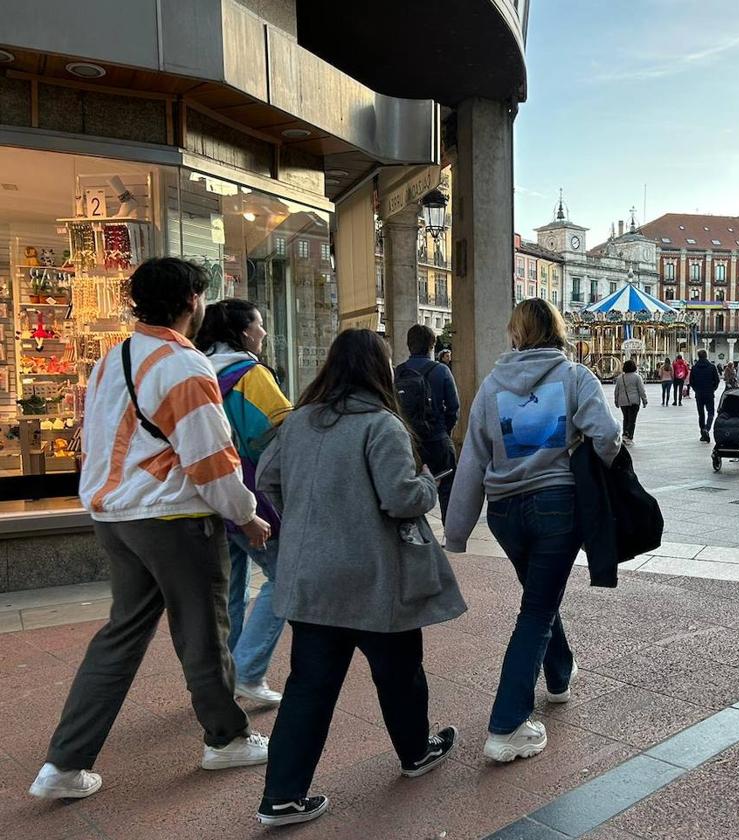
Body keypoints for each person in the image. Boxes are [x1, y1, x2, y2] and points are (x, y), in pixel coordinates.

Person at [29, 258, 272, 801]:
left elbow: (93, 440)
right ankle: (226, 739)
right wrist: (245, 513)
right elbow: (211, 456)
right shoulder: (183, 365)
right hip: (173, 518)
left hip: (115, 516)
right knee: (203, 632)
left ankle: (64, 765)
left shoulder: (110, 359)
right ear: (192, 301)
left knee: (120, 635)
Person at [255, 329, 466, 827]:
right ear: (379, 369)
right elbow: (400, 498)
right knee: (399, 673)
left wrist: (304, 517)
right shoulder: (381, 425)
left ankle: (281, 796)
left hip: (312, 579)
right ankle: (415, 754)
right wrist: (427, 488)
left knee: (308, 686)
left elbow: (267, 479)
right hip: (374, 577)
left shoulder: (299, 421)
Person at [444, 299, 621, 763]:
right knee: (537, 610)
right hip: (557, 507)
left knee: (539, 598)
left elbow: (473, 459)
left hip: (504, 513)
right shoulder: (575, 377)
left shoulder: (492, 385)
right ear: (556, 332)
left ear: (516, 333)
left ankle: (559, 675)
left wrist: (457, 529)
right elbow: (606, 436)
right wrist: (590, 455)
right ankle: (507, 724)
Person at [195, 299, 292, 707]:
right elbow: (276, 432)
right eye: (260, 324)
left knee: (229, 593)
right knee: (284, 578)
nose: (264, 332)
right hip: (252, 493)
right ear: (243, 331)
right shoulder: (250, 374)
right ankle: (249, 671)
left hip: (206, 495)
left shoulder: (198, 370)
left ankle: (222, 678)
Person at [396, 324, 460, 518]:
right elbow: (454, 407)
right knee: (448, 488)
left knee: (410, 490)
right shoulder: (441, 371)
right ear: (432, 345)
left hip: (409, 443)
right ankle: (450, 535)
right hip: (437, 439)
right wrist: (443, 431)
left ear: (408, 345)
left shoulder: (398, 373)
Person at [689, 349, 721, 442]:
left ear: (698, 356)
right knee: (711, 413)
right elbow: (717, 380)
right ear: (706, 356)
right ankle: (707, 429)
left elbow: (691, 382)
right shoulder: (712, 367)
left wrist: (696, 390)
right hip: (709, 393)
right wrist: (713, 389)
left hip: (699, 394)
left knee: (701, 414)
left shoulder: (694, 368)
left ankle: (703, 433)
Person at [613, 359, 648, 444]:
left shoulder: (620, 378)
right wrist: (644, 399)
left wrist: (616, 400)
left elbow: (616, 390)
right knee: (632, 420)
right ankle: (629, 436)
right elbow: (641, 390)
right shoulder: (637, 377)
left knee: (626, 418)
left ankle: (625, 433)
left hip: (623, 401)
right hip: (634, 401)